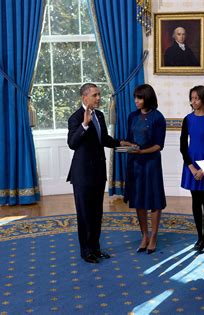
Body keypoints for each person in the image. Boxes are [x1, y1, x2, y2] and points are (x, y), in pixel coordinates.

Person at [67, 83, 128, 264]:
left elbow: (103, 139)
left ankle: (95, 248)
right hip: (82, 174)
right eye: (95, 95)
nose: (98, 98)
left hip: (98, 173)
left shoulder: (100, 115)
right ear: (84, 97)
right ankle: (85, 251)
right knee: (84, 214)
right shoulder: (75, 118)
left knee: (96, 213)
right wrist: (85, 124)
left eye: (99, 94)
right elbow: (72, 143)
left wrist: (121, 143)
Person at [124, 84, 167, 254]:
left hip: (151, 164)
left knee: (154, 200)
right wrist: (125, 145)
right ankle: (144, 235)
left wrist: (141, 151)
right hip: (135, 164)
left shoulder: (158, 118)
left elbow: (159, 145)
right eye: (135, 97)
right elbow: (129, 139)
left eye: (139, 98)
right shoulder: (132, 116)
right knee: (138, 200)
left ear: (147, 98)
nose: (136, 101)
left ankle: (154, 236)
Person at [180, 86, 204, 253]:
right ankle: (199, 237)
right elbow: (183, 146)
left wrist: (203, 170)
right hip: (191, 163)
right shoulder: (187, 119)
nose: (193, 101)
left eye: (197, 98)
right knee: (196, 202)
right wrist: (191, 167)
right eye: (192, 98)